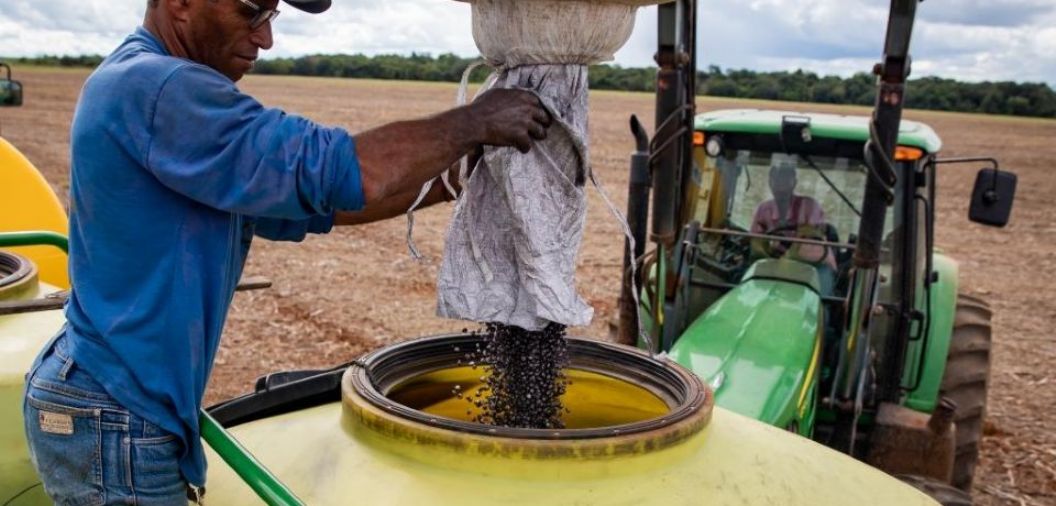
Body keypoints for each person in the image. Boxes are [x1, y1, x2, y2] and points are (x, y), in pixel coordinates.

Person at [21, 0, 552, 504]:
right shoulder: (159, 85)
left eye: (271, 13)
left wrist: (449, 183)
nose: (266, 37)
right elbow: (330, 169)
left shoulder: (145, 89)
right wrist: (473, 122)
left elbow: (313, 203)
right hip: (114, 408)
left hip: (109, 398)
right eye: (250, 10)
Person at [750, 162, 836, 294]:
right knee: (744, 283)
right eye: (777, 181)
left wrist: (785, 252)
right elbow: (755, 244)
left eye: (785, 181)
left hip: (814, 264)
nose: (781, 187)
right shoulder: (764, 209)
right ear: (770, 183)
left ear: (794, 183)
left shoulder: (809, 206)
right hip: (774, 264)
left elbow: (811, 241)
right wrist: (764, 249)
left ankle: (825, 311)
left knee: (820, 297)